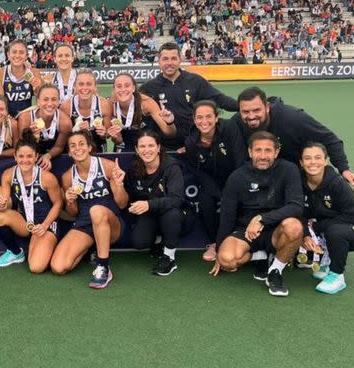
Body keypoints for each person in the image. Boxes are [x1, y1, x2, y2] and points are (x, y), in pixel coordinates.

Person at [213, 131, 304, 297]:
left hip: (277, 229)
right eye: (258, 150)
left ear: (276, 152)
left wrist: (262, 219)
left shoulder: (289, 170)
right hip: (246, 231)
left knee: (294, 226)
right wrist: (219, 250)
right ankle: (260, 256)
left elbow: (296, 206)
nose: (263, 156)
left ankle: (275, 270)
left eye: (268, 151)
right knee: (227, 260)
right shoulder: (237, 177)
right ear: (250, 152)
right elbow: (226, 215)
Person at [233, 86, 354, 190]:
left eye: (256, 110)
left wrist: (344, 169)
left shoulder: (293, 118)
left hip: (298, 174)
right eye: (245, 112)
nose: (251, 116)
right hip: (264, 174)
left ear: (267, 107)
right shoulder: (237, 123)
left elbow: (329, 139)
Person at [51, 131, 127, 289]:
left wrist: (119, 185)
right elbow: (73, 213)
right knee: (58, 267)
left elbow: (122, 204)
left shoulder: (107, 166)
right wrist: (70, 201)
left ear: (89, 147)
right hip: (85, 224)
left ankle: (103, 266)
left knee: (97, 210)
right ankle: (90, 247)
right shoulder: (67, 177)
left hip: (110, 223)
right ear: (69, 152)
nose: (77, 148)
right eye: (72, 146)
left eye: (81, 144)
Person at [0, 129, 65, 272]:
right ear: (15, 156)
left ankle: (47, 245)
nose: (25, 160)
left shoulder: (47, 177)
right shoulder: (8, 174)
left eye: (30, 156)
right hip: (25, 222)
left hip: (46, 224)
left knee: (36, 267)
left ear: (36, 156)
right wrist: (1, 204)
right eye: (21, 156)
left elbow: (58, 204)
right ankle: (15, 253)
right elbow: (3, 204)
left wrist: (44, 225)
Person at [300, 143, 354, 294]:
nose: (312, 162)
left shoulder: (338, 184)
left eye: (318, 158)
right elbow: (299, 213)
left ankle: (337, 276)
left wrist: (316, 228)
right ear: (301, 162)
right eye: (307, 158)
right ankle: (324, 263)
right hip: (322, 228)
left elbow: (350, 215)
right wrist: (306, 234)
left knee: (335, 232)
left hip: (353, 229)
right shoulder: (299, 184)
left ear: (325, 161)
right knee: (297, 227)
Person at [141, 42, 237, 149]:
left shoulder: (195, 81)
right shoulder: (148, 88)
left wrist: (241, 106)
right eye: (165, 59)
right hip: (164, 148)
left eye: (173, 58)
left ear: (180, 59)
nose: (169, 63)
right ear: (159, 61)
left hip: (195, 145)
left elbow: (219, 99)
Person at [184, 100, 246, 262]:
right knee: (206, 202)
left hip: (237, 177)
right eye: (199, 117)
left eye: (208, 117)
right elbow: (200, 173)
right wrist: (220, 194)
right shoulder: (191, 142)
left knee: (235, 203)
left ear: (216, 117)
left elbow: (240, 160)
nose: (204, 122)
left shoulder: (230, 128)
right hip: (211, 181)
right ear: (194, 119)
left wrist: (231, 191)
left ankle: (234, 240)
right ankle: (214, 243)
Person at [124, 131, 186, 275]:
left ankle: (169, 258)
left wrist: (149, 204)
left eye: (151, 145)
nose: (147, 150)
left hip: (175, 215)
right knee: (139, 243)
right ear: (136, 150)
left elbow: (176, 200)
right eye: (142, 146)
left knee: (171, 215)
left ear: (158, 148)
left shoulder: (171, 167)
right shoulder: (134, 169)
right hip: (151, 215)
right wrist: (119, 184)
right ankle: (160, 240)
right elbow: (126, 201)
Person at [108, 72, 175, 152]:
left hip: (146, 145)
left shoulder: (146, 103)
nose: (123, 89)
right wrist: (116, 138)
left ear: (133, 88)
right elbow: (115, 139)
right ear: (114, 89)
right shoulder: (110, 105)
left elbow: (169, 132)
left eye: (127, 85)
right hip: (123, 146)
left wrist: (170, 122)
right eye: (119, 86)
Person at [17, 84, 72, 170]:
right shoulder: (26, 118)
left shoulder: (65, 122)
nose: (49, 104)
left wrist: (47, 156)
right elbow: (22, 148)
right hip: (30, 157)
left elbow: (59, 147)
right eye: (45, 99)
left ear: (58, 101)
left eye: (54, 99)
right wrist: (33, 138)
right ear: (38, 101)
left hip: (54, 156)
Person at [60, 69, 112, 153]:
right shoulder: (66, 107)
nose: (85, 88)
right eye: (81, 84)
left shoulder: (104, 105)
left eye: (89, 84)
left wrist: (104, 133)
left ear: (95, 87)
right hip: (76, 150)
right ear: (75, 86)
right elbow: (63, 136)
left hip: (98, 148)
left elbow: (107, 134)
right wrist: (75, 129)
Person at [0, 39, 43, 117]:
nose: (17, 55)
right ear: (8, 54)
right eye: (14, 52)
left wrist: (37, 88)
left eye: (21, 52)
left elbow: (41, 99)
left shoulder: (34, 73)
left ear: (26, 56)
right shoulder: (0, 73)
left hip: (26, 119)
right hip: (7, 119)